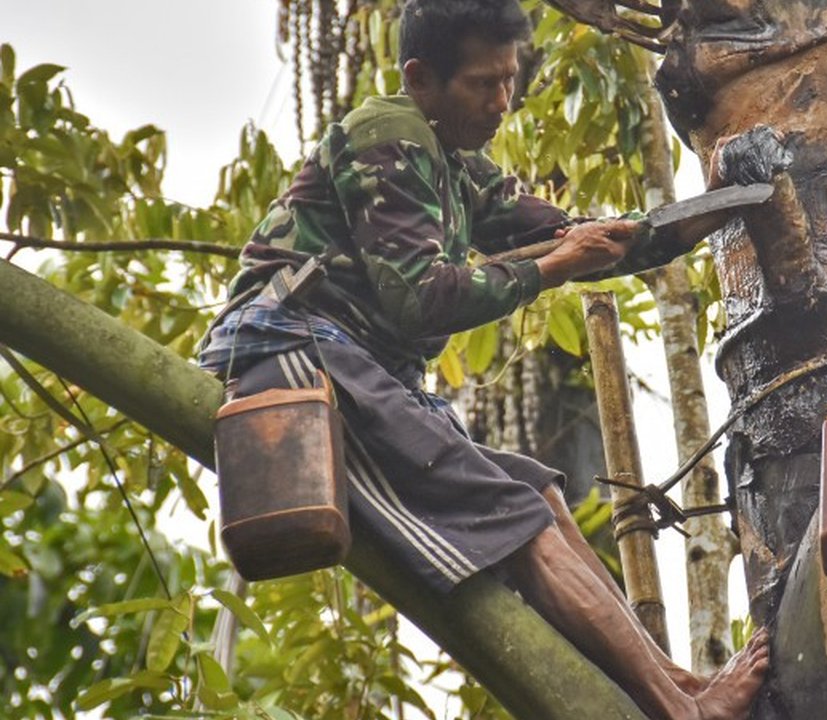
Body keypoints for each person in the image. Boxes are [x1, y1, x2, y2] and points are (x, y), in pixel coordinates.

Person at [197, 1, 768, 717]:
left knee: (540, 496)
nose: (503, 102)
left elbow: (582, 236)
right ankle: (680, 712)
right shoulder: (388, 133)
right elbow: (422, 299)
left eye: (510, 80)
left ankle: (676, 684)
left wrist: (708, 212)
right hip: (293, 350)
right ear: (421, 78)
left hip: (352, 365)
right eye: (482, 85)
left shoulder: (456, 168)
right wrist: (553, 267)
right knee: (511, 513)